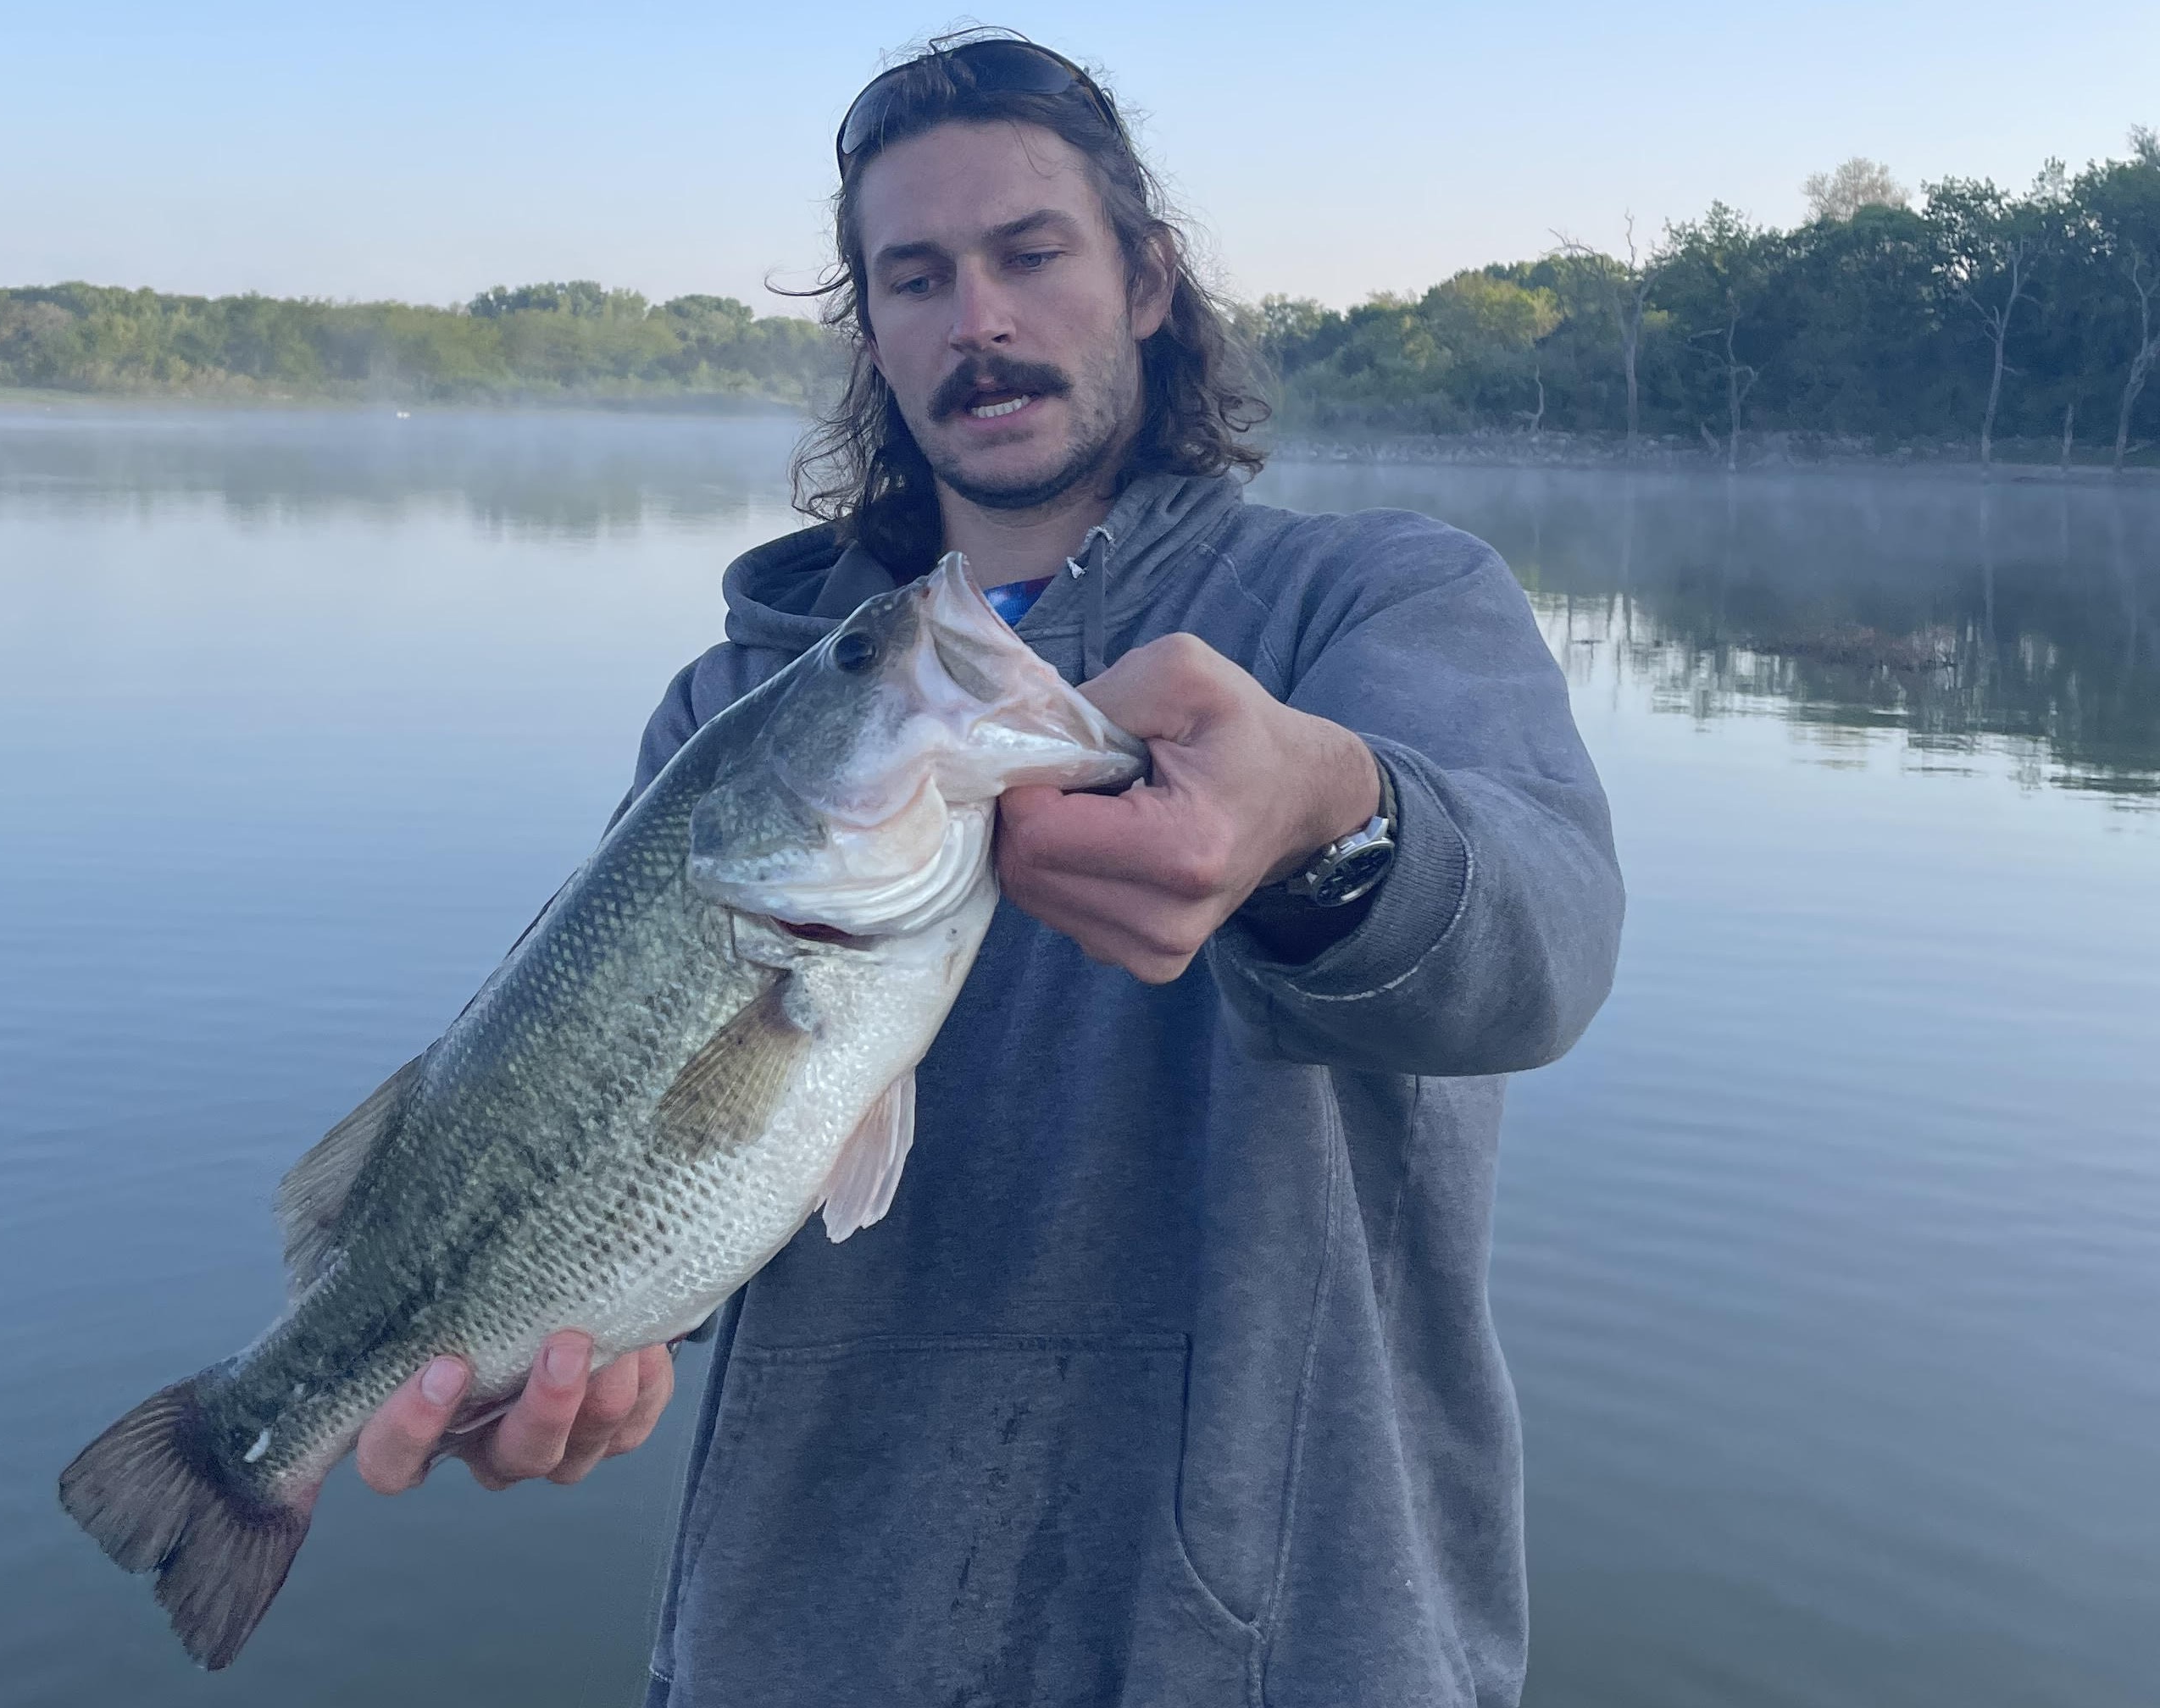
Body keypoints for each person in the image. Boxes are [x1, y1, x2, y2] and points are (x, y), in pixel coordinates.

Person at [356, 30, 1624, 1708]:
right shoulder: (737, 705)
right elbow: (655, 1148)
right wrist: (573, 1354)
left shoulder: (1373, 607)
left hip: (1281, 1656)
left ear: (1148, 280)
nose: (983, 322)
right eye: (918, 278)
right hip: (794, 1648)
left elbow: (1544, 943)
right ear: (871, 333)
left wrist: (1328, 818)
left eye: (1031, 255)